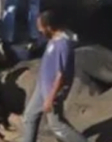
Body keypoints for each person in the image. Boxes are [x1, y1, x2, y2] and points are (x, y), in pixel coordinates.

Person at [21, 11, 85, 142]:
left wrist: (50, 98)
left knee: (56, 125)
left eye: (40, 27)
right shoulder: (53, 39)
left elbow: (61, 75)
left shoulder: (63, 45)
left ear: (49, 27)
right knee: (29, 116)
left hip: (52, 90)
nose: (39, 30)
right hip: (42, 87)